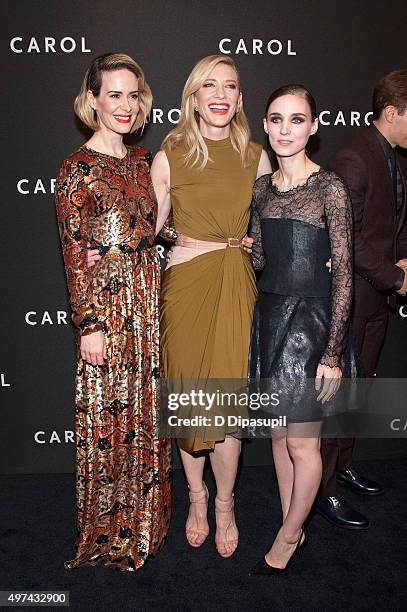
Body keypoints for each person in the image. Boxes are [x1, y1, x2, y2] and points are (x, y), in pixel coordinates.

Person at [55, 53, 171, 571]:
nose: (124, 105)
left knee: (146, 414)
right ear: (93, 100)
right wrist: (89, 324)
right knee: (110, 418)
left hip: (147, 306)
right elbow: (73, 251)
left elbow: (158, 228)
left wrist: (223, 238)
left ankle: (148, 524)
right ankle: (110, 532)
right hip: (108, 310)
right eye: (114, 94)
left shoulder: (146, 162)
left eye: (132, 95)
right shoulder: (76, 170)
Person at [152, 55, 271, 558]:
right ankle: (196, 498)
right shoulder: (171, 152)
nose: (220, 94)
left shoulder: (257, 156)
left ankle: (225, 503)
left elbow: (277, 226)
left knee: (226, 401)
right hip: (185, 287)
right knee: (189, 398)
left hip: (237, 286)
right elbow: (151, 225)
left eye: (230, 86)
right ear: (194, 97)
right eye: (210, 86)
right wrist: (187, 238)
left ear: (240, 98)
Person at [248, 84, 359, 574]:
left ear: (314, 127)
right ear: (266, 125)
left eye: (297, 120)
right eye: (276, 119)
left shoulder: (329, 187)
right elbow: (263, 259)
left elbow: (346, 274)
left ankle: (289, 535)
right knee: (277, 435)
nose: (285, 129)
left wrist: (332, 353)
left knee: (302, 442)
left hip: (312, 325)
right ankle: (292, 521)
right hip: (270, 317)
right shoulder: (262, 188)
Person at [318, 69, 407, 529]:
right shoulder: (354, 157)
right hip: (351, 303)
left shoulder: (389, 155)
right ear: (392, 112)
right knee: (339, 399)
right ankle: (325, 491)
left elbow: (390, 223)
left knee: (359, 392)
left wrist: (403, 263)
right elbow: (346, 240)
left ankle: (344, 467)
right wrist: (398, 278)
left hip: (376, 303)